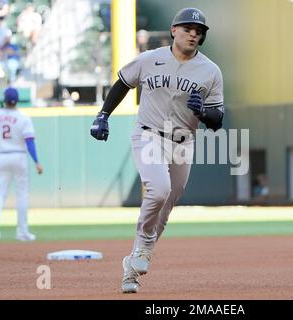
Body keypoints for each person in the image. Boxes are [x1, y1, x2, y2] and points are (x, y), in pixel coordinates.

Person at [90, 7, 224, 293]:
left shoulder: (211, 71)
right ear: (174, 30)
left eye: (198, 31)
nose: (193, 34)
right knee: (159, 190)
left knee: (167, 206)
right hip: (149, 135)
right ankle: (141, 251)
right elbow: (123, 83)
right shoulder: (150, 59)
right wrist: (103, 115)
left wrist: (204, 113)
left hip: (183, 142)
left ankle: (133, 265)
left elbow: (217, 120)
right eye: (188, 28)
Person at [0, 87, 43, 242]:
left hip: (1, 157)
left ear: (4, 100)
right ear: (17, 100)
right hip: (19, 157)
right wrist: (37, 161)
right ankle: (22, 232)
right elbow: (29, 141)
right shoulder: (23, 118)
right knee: (22, 195)